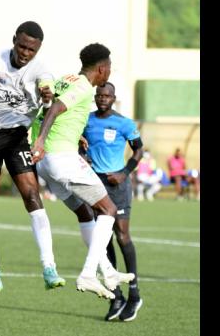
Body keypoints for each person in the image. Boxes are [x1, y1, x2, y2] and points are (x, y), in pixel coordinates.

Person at [0, 21, 65, 296]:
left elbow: (47, 94)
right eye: (21, 46)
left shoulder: (41, 70)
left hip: (17, 136)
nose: (25, 53)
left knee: (32, 195)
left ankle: (49, 267)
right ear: (14, 40)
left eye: (31, 49)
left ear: (38, 49)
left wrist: (46, 95)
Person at [31, 43, 135, 301]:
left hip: (46, 164)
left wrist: (75, 137)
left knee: (85, 211)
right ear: (101, 69)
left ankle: (108, 272)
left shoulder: (66, 80)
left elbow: (46, 107)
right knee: (108, 210)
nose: (110, 71)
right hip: (61, 157)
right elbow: (55, 110)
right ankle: (89, 273)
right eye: (109, 67)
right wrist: (41, 141)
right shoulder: (83, 87)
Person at [81, 81, 144, 321]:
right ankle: (116, 294)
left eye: (107, 96)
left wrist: (124, 173)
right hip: (95, 186)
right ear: (95, 97)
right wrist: (83, 156)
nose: (102, 99)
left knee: (122, 236)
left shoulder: (124, 123)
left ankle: (134, 294)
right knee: (102, 240)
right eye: (99, 95)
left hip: (118, 186)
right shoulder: (87, 120)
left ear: (113, 98)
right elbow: (80, 144)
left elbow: (139, 150)